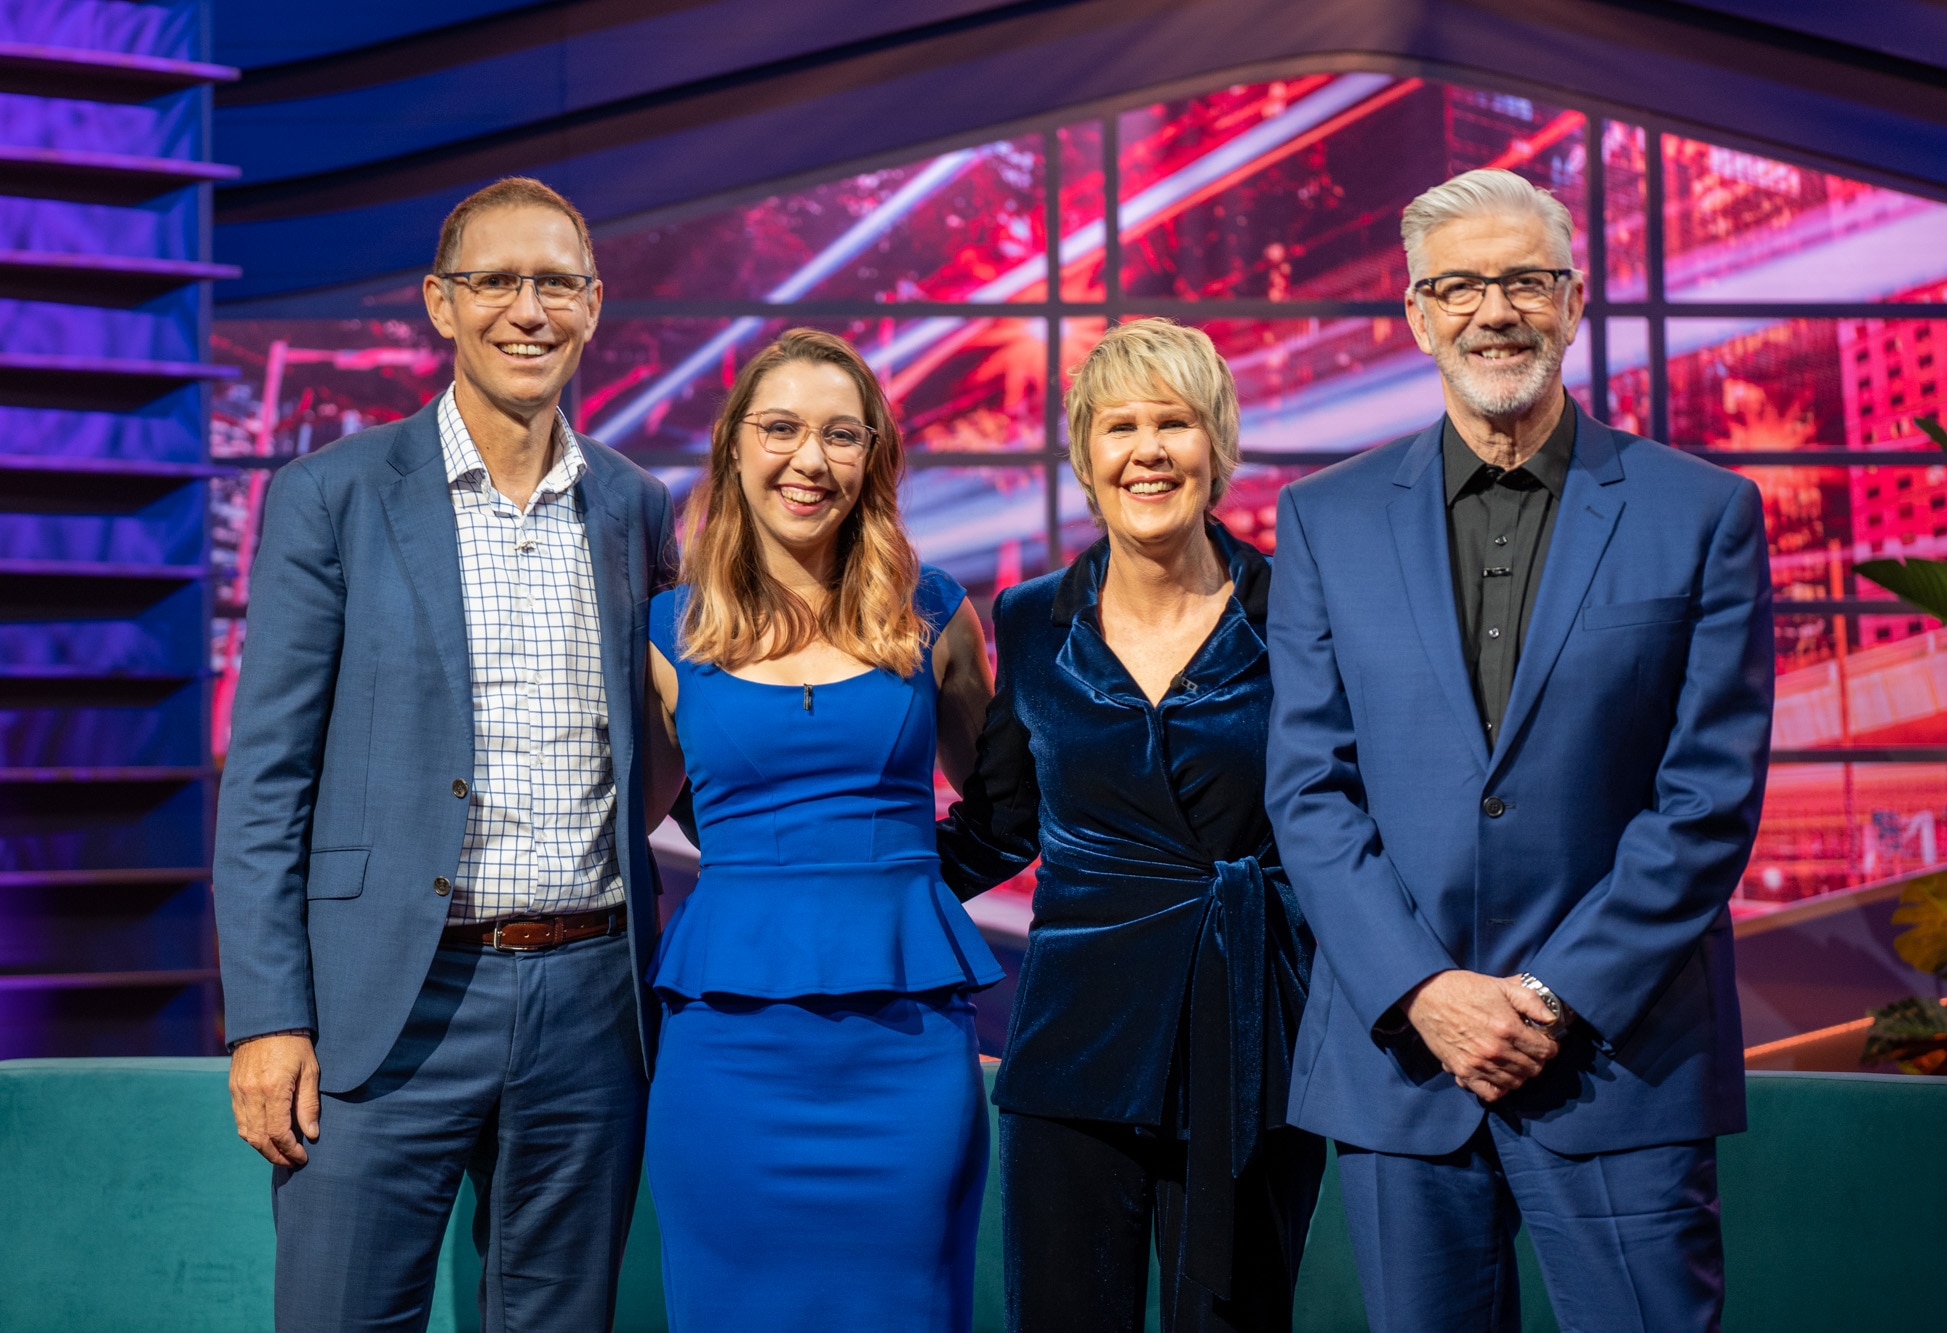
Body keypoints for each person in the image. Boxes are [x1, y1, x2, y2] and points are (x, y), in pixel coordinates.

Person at [1266, 167, 1775, 1332]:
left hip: (1619, 1058)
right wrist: (1423, 990)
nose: (1492, 311)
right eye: (1458, 286)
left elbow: (1704, 798)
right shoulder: (1321, 518)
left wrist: (1552, 996)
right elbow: (1307, 789)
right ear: (1415, 312)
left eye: (1522, 281)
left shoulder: (1699, 510)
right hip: (1403, 1063)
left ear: (1573, 297)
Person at [214, 177, 677, 1330]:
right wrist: (269, 1016)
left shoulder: (635, 506)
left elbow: (664, 749)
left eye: (556, 283)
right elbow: (266, 777)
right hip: (386, 1003)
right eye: (496, 282)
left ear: (592, 303)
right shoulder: (331, 494)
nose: (528, 310)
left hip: (588, 998)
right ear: (440, 303)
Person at [938, 318, 1324, 1333]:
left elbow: (1341, 820)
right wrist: (838, 887)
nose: (1145, 450)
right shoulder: (1026, 618)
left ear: (1218, 445)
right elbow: (999, 823)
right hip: (1075, 1042)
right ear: (1082, 453)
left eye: (1175, 423)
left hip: (1251, 1037)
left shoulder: (1295, 610)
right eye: (1118, 427)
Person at [643, 327, 1002, 1331]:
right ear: (733, 450)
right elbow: (618, 832)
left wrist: (908, 889)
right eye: (781, 429)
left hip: (906, 1048)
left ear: (874, 458)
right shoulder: (667, 632)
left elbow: (1005, 807)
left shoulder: (934, 613)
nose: (810, 459)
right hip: (727, 1051)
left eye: (841, 435)